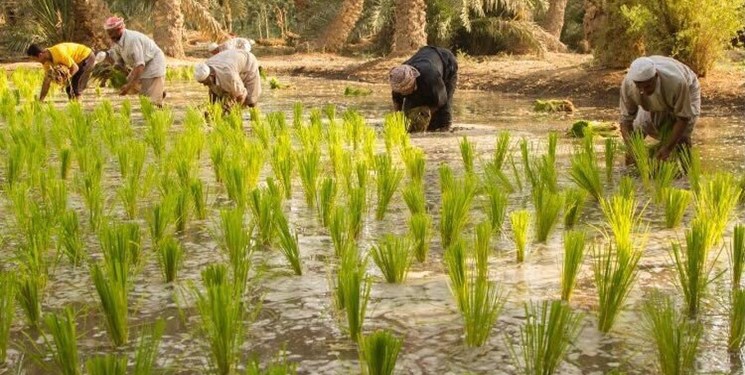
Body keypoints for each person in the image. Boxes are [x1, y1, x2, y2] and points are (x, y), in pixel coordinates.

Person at [620, 56, 700, 162]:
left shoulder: (676, 82)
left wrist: (668, 148)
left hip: (688, 89)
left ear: (656, 76)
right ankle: (633, 173)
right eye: (639, 86)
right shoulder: (629, 85)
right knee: (637, 132)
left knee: (682, 138)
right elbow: (625, 121)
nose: (643, 91)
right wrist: (632, 149)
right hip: (662, 93)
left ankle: (688, 174)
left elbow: (683, 118)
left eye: (647, 86)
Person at [97, 16, 166, 106]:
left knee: (152, 101)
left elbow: (140, 65)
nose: (109, 35)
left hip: (153, 63)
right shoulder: (116, 42)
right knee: (137, 90)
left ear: (119, 29)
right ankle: (160, 91)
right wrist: (108, 76)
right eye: (108, 32)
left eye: (111, 32)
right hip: (140, 65)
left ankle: (158, 97)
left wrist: (129, 86)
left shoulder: (132, 40)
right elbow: (119, 63)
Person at [389, 46, 458, 132]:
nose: (405, 94)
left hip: (447, 63)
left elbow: (441, 100)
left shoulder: (430, 78)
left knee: (443, 114)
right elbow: (398, 108)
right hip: (425, 56)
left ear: (414, 79)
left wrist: (426, 115)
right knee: (410, 114)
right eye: (403, 92)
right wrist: (399, 122)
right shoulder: (398, 79)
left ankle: (446, 129)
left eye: (407, 90)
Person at [193, 49, 261, 110]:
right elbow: (213, 91)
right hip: (230, 59)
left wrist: (232, 110)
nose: (204, 85)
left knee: (251, 101)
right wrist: (212, 109)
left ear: (212, 75)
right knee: (222, 98)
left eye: (205, 82)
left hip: (248, 62)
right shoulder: (206, 67)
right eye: (202, 82)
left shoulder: (229, 76)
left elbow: (242, 95)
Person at [26, 42, 95, 101]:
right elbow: (46, 82)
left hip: (86, 56)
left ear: (40, 55)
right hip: (76, 62)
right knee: (69, 90)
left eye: (35, 59)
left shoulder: (58, 53)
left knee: (75, 88)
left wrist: (65, 80)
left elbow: (75, 68)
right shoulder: (46, 63)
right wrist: (40, 100)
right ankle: (74, 109)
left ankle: (78, 110)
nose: (37, 61)